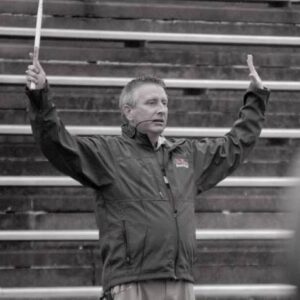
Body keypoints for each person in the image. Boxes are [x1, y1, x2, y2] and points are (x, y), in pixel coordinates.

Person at [25, 54, 270, 300]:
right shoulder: (108, 153)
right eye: (152, 103)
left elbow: (233, 147)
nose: (161, 109)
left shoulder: (185, 154)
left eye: (164, 103)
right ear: (128, 112)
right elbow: (57, 142)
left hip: (181, 282)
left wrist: (256, 99)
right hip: (131, 283)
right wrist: (40, 96)